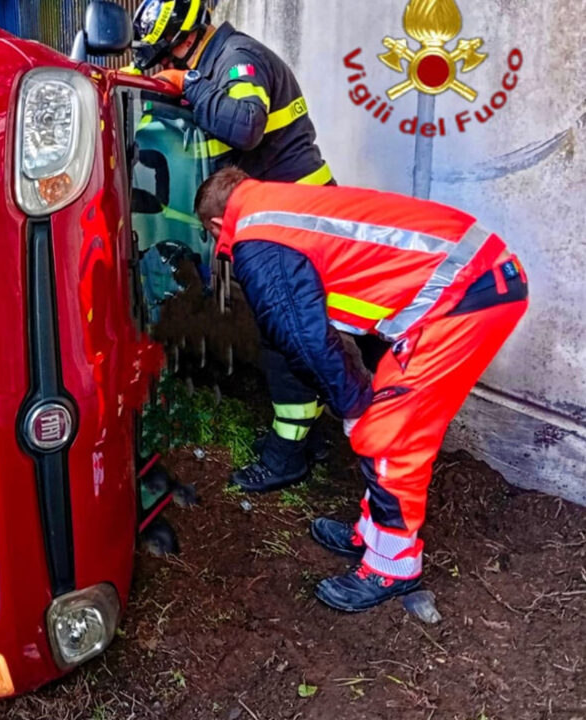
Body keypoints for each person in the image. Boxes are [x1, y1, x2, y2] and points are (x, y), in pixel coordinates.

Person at [195, 167, 528, 611]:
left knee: (389, 435)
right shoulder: (280, 204)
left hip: (465, 296)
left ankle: (393, 566)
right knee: (386, 423)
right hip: (470, 282)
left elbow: (302, 338)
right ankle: (372, 532)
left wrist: (352, 405)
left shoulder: (256, 239)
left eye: (216, 241)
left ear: (218, 224)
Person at [131, 0, 366, 493]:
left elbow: (244, 124)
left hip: (294, 219)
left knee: (284, 337)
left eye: (168, 57)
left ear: (187, 37)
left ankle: (287, 456)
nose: (169, 68)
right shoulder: (214, 61)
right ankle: (307, 439)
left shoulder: (238, 59)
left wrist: (189, 85)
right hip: (281, 215)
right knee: (290, 331)